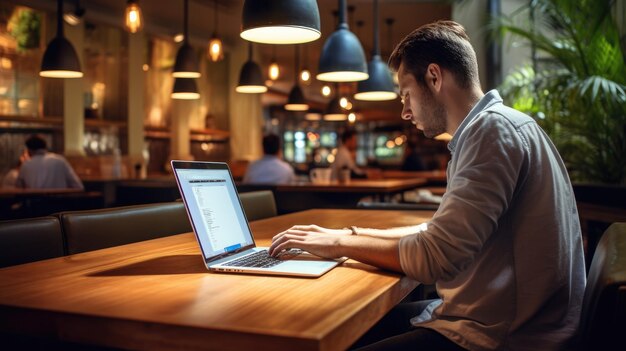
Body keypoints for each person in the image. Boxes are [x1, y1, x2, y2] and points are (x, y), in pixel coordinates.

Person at [269, 20, 585, 351]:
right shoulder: (497, 127)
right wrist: (349, 236)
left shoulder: (491, 133)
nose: (404, 111)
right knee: (345, 326)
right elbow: (437, 233)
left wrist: (338, 244)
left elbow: (436, 257)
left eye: (406, 94)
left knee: (332, 329)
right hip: (490, 317)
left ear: (434, 77)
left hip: (501, 335)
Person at [17, 134, 84, 189]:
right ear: (45, 147)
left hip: (36, 204)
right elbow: (77, 185)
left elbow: (19, 187)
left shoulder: (26, 165)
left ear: (29, 150)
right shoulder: (60, 160)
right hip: (60, 203)